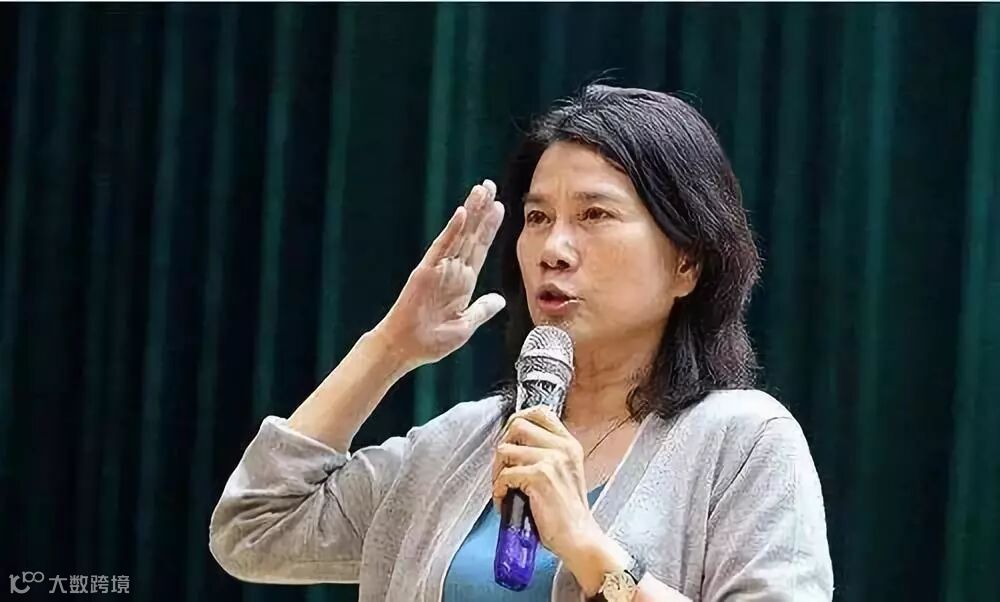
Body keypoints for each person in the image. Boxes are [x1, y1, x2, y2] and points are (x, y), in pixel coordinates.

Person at [208, 85, 834, 602]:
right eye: (537, 218)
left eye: (594, 215)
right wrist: (390, 348)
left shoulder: (742, 443)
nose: (553, 250)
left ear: (687, 263)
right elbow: (255, 529)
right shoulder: (461, 444)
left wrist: (589, 547)